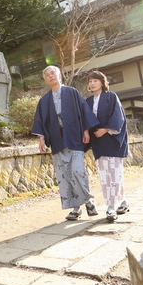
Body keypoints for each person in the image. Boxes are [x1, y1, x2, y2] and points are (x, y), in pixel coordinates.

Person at [32, 66, 100, 220]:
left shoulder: (72, 92)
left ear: (59, 75)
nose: (51, 76)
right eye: (47, 75)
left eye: (53, 73)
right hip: (57, 140)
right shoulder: (44, 100)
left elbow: (83, 111)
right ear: (45, 80)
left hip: (74, 137)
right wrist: (41, 138)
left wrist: (85, 131)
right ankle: (76, 208)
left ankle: (88, 201)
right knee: (66, 175)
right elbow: (40, 121)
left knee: (77, 171)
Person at [86, 70, 130, 222]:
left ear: (102, 83)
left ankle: (111, 207)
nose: (92, 83)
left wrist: (105, 129)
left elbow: (118, 117)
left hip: (113, 140)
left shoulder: (111, 97)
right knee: (106, 176)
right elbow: (85, 120)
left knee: (115, 174)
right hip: (99, 142)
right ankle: (123, 202)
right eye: (90, 81)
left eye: (95, 81)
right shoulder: (89, 101)